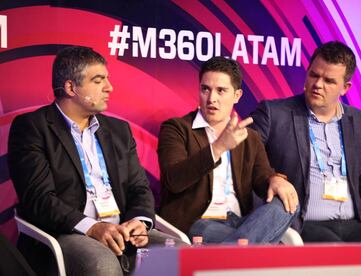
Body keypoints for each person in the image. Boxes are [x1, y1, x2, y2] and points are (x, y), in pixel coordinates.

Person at [7, 46, 174, 276]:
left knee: (178, 254)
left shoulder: (118, 130)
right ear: (71, 87)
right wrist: (92, 227)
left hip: (122, 228)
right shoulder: (32, 127)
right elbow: (40, 200)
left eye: (107, 79)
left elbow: (139, 187)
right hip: (67, 231)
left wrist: (140, 221)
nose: (109, 87)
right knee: (102, 265)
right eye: (98, 80)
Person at [250, 41, 361, 243]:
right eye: (314, 75)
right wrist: (272, 177)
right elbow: (247, 158)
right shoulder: (274, 113)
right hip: (304, 222)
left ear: (345, 88)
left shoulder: (360, 121)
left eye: (329, 81)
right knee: (339, 255)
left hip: (353, 222)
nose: (317, 85)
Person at [157, 56, 298, 244]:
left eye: (221, 91)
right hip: (199, 223)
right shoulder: (177, 128)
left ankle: (238, 252)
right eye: (205, 89)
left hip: (242, 222)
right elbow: (173, 180)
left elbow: (262, 177)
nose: (211, 98)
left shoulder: (249, 137)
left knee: (286, 202)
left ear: (237, 96)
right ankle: (248, 251)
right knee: (275, 250)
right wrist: (219, 147)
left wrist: (275, 180)